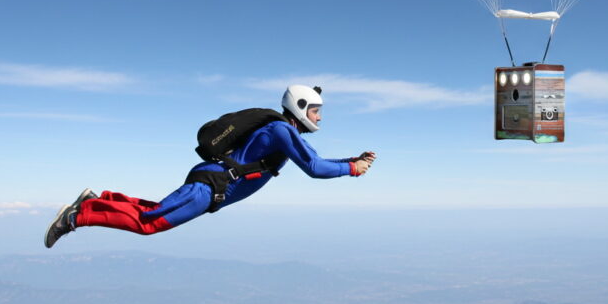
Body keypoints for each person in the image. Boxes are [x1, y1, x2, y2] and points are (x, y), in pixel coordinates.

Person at [44, 85, 376, 248]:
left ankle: (97, 198)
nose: (319, 117)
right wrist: (352, 169)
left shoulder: (284, 134)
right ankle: (78, 216)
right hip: (210, 188)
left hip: (211, 188)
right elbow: (314, 167)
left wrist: (350, 162)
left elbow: (314, 158)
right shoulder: (280, 131)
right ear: (301, 107)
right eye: (316, 110)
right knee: (149, 223)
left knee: (154, 212)